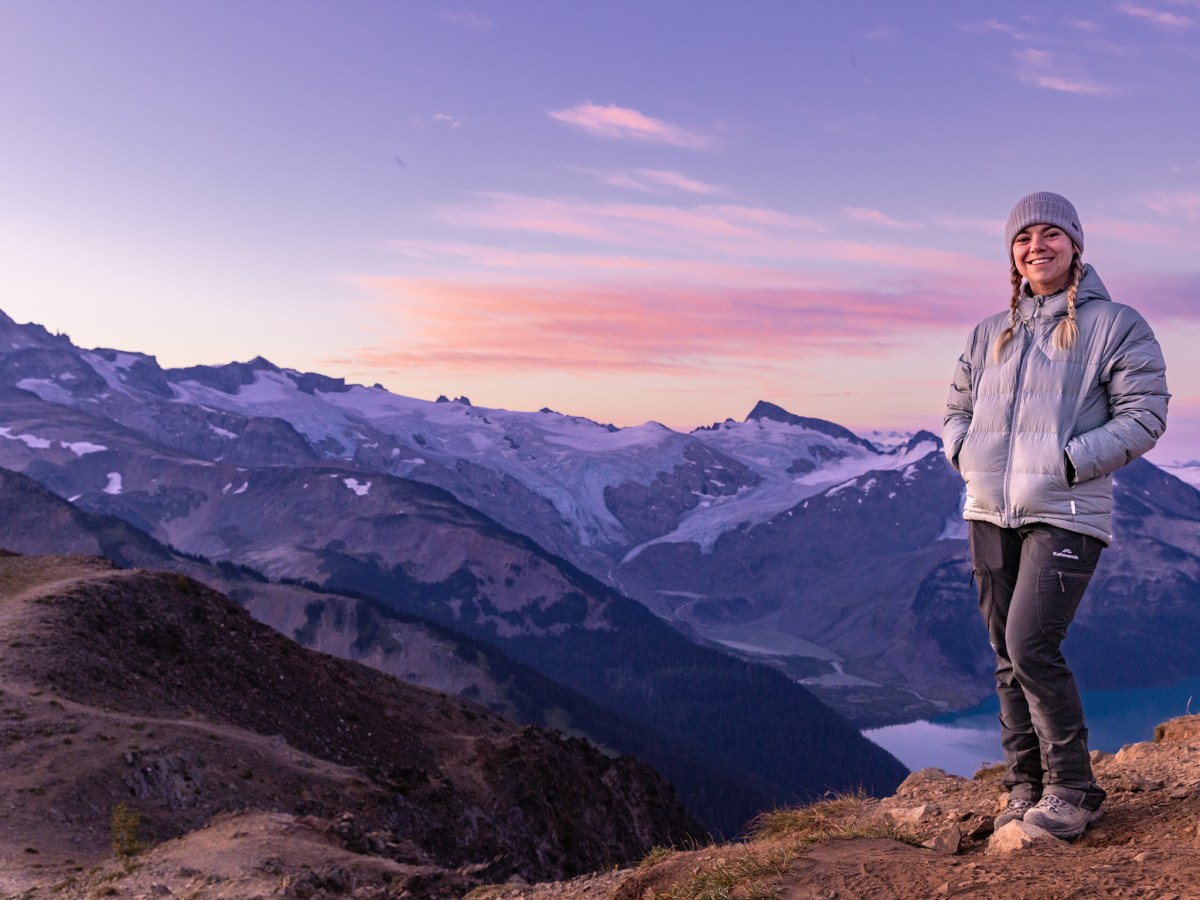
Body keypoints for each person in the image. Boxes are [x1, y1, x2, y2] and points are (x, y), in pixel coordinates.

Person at [943, 191, 1169, 839]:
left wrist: (1067, 463)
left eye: (1050, 235)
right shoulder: (990, 332)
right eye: (1023, 239)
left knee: (1030, 644)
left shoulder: (1117, 324)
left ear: (1074, 245)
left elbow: (1145, 414)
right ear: (1011, 255)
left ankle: (1073, 788)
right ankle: (1025, 787)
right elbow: (956, 407)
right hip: (989, 508)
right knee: (1003, 653)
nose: (1036, 246)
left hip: (1067, 510)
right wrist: (966, 453)